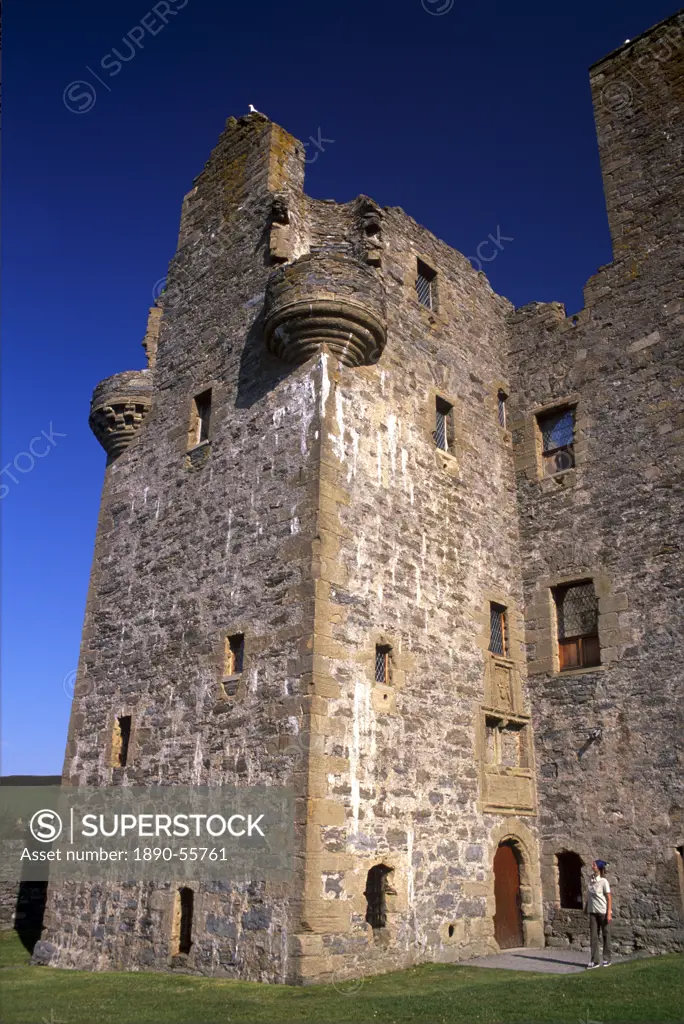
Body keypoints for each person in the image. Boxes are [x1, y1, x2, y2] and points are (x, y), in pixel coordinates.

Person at [586, 859, 612, 968]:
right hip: (593, 912)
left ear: (599, 868)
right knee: (593, 937)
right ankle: (595, 961)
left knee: (606, 935)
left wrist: (609, 913)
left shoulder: (604, 881)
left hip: (602, 912)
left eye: (594, 865)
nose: (592, 866)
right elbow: (590, 896)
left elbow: (609, 897)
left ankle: (607, 959)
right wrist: (586, 908)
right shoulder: (591, 880)